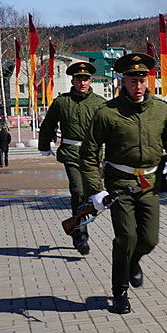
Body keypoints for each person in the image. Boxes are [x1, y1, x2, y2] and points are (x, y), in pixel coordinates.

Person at [79, 53, 167, 315]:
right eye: (132, 80)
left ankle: (134, 261)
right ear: (122, 81)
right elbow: (90, 153)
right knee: (126, 237)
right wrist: (96, 189)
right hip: (119, 182)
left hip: (148, 182)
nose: (138, 86)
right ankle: (120, 292)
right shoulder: (108, 113)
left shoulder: (160, 110)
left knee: (149, 239)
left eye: (142, 80)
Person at [38, 62, 106, 255]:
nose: (82, 82)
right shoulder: (62, 102)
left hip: (93, 155)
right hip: (71, 153)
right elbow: (49, 124)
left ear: (90, 80)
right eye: (79, 79)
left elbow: (111, 129)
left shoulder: (99, 103)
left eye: (86, 78)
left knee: (93, 194)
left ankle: (78, 222)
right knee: (77, 190)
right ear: (73, 80)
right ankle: (80, 234)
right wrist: (44, 146)